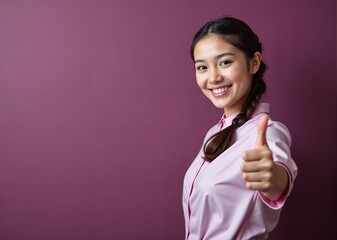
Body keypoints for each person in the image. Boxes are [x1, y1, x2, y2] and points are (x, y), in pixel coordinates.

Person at [182, 17, 298, 239]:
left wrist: (272, 178)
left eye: (225, 62)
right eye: (202, 67)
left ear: (254, 63)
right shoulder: (215, 133)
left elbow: (276, 177)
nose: (213, 77)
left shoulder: (267, 132)